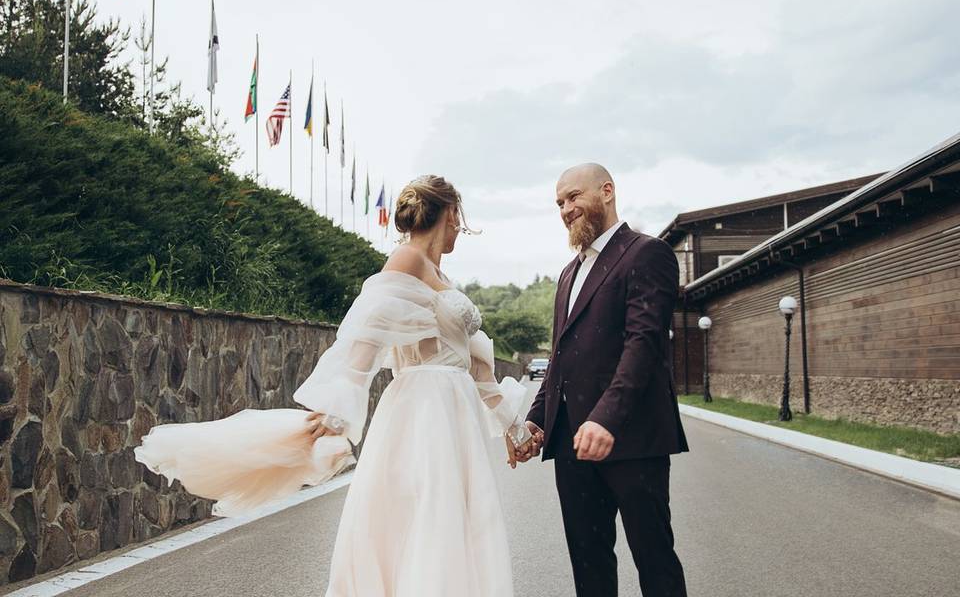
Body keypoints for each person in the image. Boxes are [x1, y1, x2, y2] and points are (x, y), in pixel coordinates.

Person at [134, 175, 541, 597]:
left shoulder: (441, 275)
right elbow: (365, 338)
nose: (461, 228)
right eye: (460, 218)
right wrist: (337, 410)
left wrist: (515, 428)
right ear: (451, 213)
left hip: (456, 411)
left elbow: (476, 370)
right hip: (423, 411)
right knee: (425, 517)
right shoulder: (406, 259)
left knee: (458, 520)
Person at [516, 163, 689, 597]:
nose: (566, 209)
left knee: (654, 559)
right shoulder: (568, 274)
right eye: (559, 203)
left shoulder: (647, 253)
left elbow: (644, 344)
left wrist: (606, 419)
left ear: (607, 192)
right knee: (589, 563)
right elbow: (560, 357)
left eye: (574, 197)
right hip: (572, 444)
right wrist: (538, 420)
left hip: (632, 439)